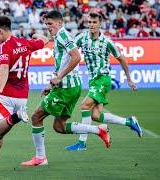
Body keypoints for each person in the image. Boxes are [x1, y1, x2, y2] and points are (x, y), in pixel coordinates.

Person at [20, 10, 111, 167]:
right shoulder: (59, 37)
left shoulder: (63, 35)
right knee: (59, 127)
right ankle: (99, 130)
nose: (48, 27)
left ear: (59, 23)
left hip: (66, 87)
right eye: (46, 24)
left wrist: (59, 77)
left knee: (36, 117)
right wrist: (51, 84)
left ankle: (40, 158)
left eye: (50, 24)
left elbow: (76, 56)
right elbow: (62, 63)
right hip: (70, 87)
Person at [0, 16, 48, 174]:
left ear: (0, 31)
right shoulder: (25, 43)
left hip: (6, 94)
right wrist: (38, 36)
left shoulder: (3, 46)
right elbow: (45, 40)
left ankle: (17, 116)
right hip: (22, 96)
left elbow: (4, 69)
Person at [65, 11, 142, 151]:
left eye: (94, 22)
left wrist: (129, 79)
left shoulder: (107, 42)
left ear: (100, 24)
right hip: (93, 81)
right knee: (95, 116)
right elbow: (70, 50)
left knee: (84, 105)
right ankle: (129, 122)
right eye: (89, 22)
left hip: (103, 79)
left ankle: (82, 143)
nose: (91, 25)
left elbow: (122, 59)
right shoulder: (82, 38)